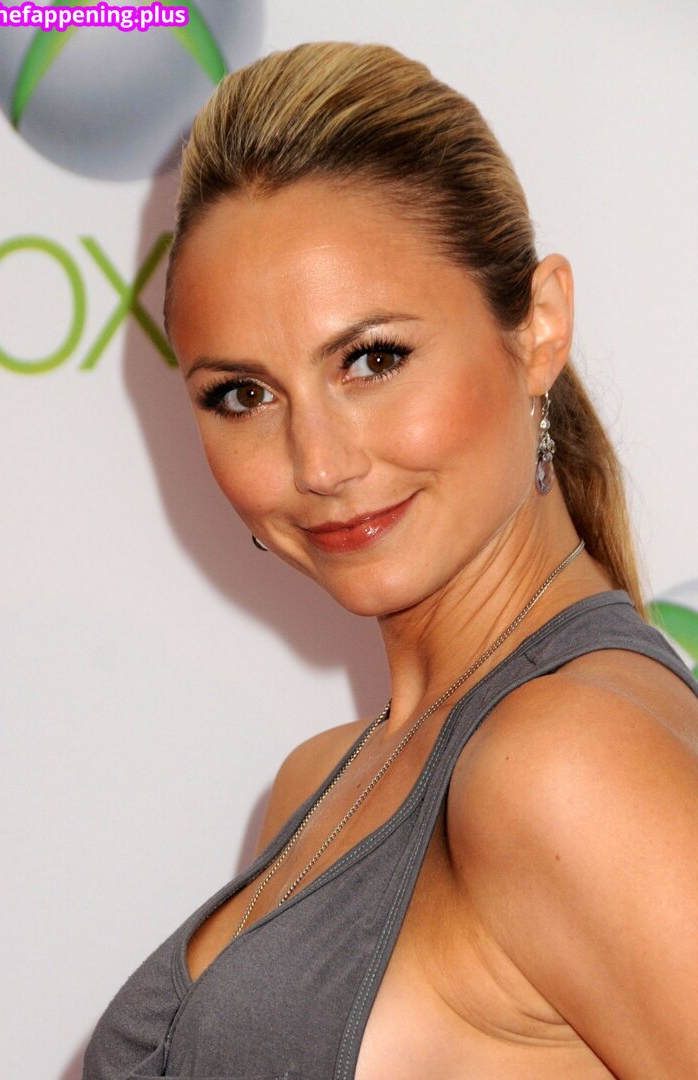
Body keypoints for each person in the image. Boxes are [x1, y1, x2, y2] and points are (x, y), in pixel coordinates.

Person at [83, 41, 698, 1080]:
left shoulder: (565, 765)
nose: (318, 464)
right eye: (242, 394)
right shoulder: (319, 784)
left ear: (540, 328)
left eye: (372, 359)